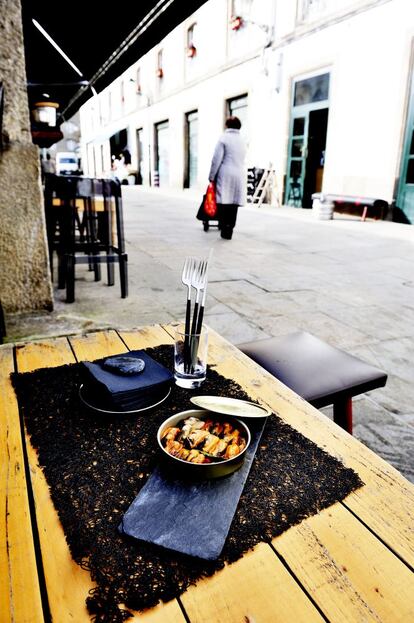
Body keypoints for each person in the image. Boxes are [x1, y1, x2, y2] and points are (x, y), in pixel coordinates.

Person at [208, 116, 246, 239]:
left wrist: (211, 176)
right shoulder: (243, 139)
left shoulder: (223, 138)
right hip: (239, 173)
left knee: (224, 201)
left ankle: (224, 228)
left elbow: (216, 160)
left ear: (227, 125)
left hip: (225, 173)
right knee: (234, 203)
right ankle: (230, 228)